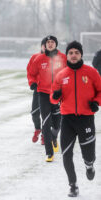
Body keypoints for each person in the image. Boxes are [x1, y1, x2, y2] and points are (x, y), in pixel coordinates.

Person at [51, 41, 101, 197]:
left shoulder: (92, 73)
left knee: (89, 154)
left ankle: (89, 165)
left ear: (81, 55)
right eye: (71, 53)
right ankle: (73, 185)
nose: (73, 55)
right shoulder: (61, 75)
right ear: (67, 55)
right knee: (66, 154)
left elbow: (100, 91)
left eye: (76, 53)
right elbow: (53, 98)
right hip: (67, 120)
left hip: (86, 119)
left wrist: (96, 102)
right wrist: (55, 96)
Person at [28, 35, 66, 162]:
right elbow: (31, 73)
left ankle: (54, 137)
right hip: (43, 94)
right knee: (46, 121)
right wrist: (32, 82)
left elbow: (69, 73)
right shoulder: (39, 59)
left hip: (58, 94)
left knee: (57, 122)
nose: (50, 44)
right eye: (48, 42)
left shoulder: (63, 58)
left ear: (56, 44)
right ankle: (49, 153)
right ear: (45, 45)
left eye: (52, 42)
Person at [27, 37, 47, 144]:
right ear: (42, 46)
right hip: (38, 90)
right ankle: (37, 129)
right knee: (35, 113)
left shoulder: (55, 58)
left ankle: (44, 134)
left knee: (47, 114)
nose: (46, 46)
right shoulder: (35, 57)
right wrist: (32, 83)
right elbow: (30, 72)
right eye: (44, 44)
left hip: (50, 92)